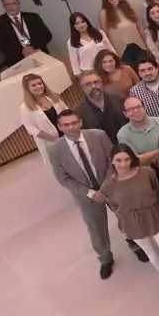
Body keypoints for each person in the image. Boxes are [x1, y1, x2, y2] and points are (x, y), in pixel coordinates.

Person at [48, 111, 117, 278]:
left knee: (125, 217)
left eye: (74, 123)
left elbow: (113, 161)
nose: (71, 127)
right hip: (85, 195)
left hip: (111, 186)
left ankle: (134, 244)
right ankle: (105, 259)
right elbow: (64, 179)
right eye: (66, 125)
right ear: (59, 127)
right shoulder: (55, 150)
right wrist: (90, 193)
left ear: (80, 122)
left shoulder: (98, 136)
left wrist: (105, 187)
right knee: (96, 229)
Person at [98, 145, 159, 267]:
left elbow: (157, 191)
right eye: (119, 160)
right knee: (153, 256)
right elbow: (114, 206)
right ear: (111, 160)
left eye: (127, 159)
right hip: (132, 223)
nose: (123, 164)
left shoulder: (147, 173)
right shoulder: (108, 186)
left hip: (153, 216)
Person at [18, 73, 69, 164]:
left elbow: (66, 111)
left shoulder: (53, 97)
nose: (38, 87)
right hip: (50, 141)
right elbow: (31, 129)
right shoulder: (25, 107)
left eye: (40, 83)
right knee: (61, 165)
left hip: (67, 135)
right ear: (27, 89)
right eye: (33, 85)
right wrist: (55, 140)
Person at [0, 0, 52, 66]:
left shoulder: (33, 17)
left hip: (38, 52)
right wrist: (22, 51)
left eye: (13, 3)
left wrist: (33, 47)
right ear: (3, 6)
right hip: (17, 60)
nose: (10, 7)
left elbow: (47, 35)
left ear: (18, 3)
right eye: (6, 5)